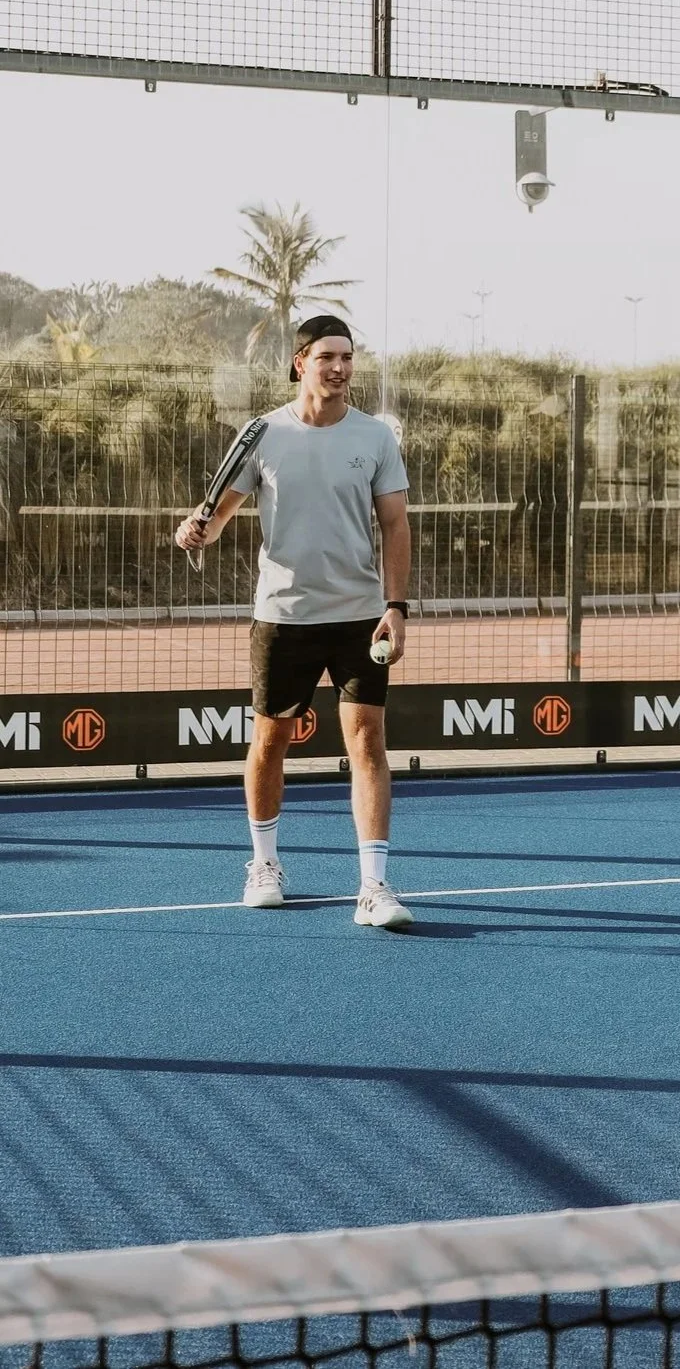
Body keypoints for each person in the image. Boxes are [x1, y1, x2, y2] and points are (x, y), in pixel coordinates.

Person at [175, 315, 414, 929]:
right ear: (299, 361)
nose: (340, 368)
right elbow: (221, 513)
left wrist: (396, 607)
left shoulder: (376, 438)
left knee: (367, 743)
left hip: (360, 618)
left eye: (348, 358)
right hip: (282, 617)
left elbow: (394, 526)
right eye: (327, 357)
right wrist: (197, 528)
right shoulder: (263, 435)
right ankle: (264, 865)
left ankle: (374, 886)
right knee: (270, 741)